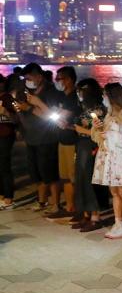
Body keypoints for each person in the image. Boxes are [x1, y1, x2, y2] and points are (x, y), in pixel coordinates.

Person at [14, 63, 64, 213]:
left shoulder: (51, 92)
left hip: (46, 137)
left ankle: (55, 203)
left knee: (50, 172)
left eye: (29, 78)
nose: (26, 81)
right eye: (25, 78)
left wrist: (30, 107)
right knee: (36, 173)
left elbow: (52, 116)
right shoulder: (28, 92)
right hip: (31, 137)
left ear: (39, 76)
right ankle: (41, 201)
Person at [91, 83, 122, 239]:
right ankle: (118, 222)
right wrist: (97, 128)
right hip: (111, 156)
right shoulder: (109, 114)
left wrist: (109, 136)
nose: (103, 98)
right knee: (115, 191)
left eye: (105, 95)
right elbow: (101, 136)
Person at [71, 79, 106, 231]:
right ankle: (85, 213)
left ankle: (95, 216)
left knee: (89, 179)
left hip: (91, 145)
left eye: (81, 91)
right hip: (81, 145)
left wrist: (81, 130)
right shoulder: (84, 107)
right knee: (81, 178)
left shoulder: (98, 110)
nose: (79, 94)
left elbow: (101, 131)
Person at [49, 66, 81, 224]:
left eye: (59, 78)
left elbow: (63, 116)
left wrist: (58, 116)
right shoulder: (62, 96)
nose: (56, 81)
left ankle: (76, 208)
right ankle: (69, 207)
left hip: (72, 141)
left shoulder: (74, 97)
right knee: (65, 177)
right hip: (62, 139)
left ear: (69, 80)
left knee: (73, 176)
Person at [0, 76, 18, 210]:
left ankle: (8, 197)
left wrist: (5, 112)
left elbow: (17, 117)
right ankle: (1, 195)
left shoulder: (7, 98)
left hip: (5, 135)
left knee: (4, 165)